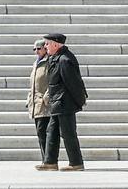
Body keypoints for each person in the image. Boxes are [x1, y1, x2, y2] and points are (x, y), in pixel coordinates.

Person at [40, 32, 88, 172]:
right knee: (51, 132)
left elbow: (74, 84)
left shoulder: (65, 60)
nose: (45, 46)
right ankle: (50, 162)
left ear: (55, 45)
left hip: (65, 103)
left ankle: (76, 163)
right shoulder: (55, 58)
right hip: (57, 103)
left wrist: (79, 101)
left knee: (68, 133)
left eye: (47, 44)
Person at [28, 40, 54, 169]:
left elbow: (52, 81)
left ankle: (48, 160)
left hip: (44, 104)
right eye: (34, 49)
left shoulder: (49, 62)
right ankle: (45, 160)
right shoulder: (36, 63)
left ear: (45, 48)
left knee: (44, 132)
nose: (36, 51)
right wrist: (29, 99)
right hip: (35, 104)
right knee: (40, 133)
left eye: (38, 48)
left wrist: (46, 98)